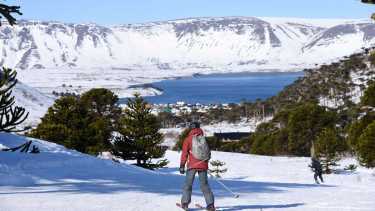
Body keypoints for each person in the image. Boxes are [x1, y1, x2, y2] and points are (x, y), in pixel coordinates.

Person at [179, 122, 215, 211]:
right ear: (199, 128)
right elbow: (208, 153)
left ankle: (185, 203)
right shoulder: (203, 138)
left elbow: (184, 153)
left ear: (191, 128)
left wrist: (182, 165)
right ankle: (210, 205)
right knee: (204, 185)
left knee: (188, 185)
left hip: (192, 165)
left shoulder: (188, 139)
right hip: (203, 165)